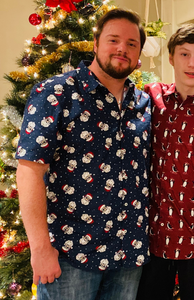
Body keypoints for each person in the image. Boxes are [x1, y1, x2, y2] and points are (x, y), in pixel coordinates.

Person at [16, 8, 150, 300]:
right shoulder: (56, 93)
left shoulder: (143, 103)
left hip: (128, 253)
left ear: (139, 53)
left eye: (131, 44)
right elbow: (29, 170)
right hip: (70, 254)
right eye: (113, 40)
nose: (121, 49)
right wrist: (40, 249)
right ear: (95, 43)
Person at [136, 24, 194, 300]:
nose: (192, 63)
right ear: (171, 57)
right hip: (152, 237)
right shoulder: (150, 98)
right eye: (184, 54)